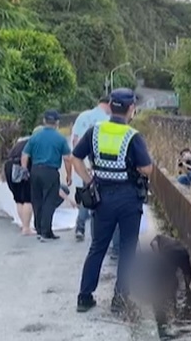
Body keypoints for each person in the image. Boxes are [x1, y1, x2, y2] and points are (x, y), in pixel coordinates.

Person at [70, 88, 153, 313]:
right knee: (127, 248)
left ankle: (84, 297)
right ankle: (120, 299)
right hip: (128, 199)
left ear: (111, 106)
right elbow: (147, 168)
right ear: (131, 108)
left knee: (97, 246)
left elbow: (75, 157)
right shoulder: (132, 136)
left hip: (101, 198)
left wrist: (89, 180)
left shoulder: (94, 131)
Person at [71, 97, 120, 256]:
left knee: (89, 196)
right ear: (109, 104)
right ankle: (111, 244)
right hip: (101, 166)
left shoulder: (83, 117)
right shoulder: (107, 121)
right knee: (104, 203)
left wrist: (81, 163)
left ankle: (80, 227)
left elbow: (75, 141)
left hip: (83, 163)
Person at [21, 110, 72, 241]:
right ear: (57, 122)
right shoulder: (60, 138)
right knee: (49, 200)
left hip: (35, 170)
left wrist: (24, 169)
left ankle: (38, 228)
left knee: (37, 200)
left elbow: (25, 154)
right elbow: (67, 158)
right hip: (50, 172)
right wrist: (69, 175)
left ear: (44, 121)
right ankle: (46, 231)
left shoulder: (35, 137)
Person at [3, 132, 37, 236]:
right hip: (20, 165)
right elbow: (26, 157)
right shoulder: (33, 143)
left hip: (9, 166)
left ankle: (24, 225)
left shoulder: (20, 142)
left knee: (18, 198)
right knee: (27, 198)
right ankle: (26, 228)